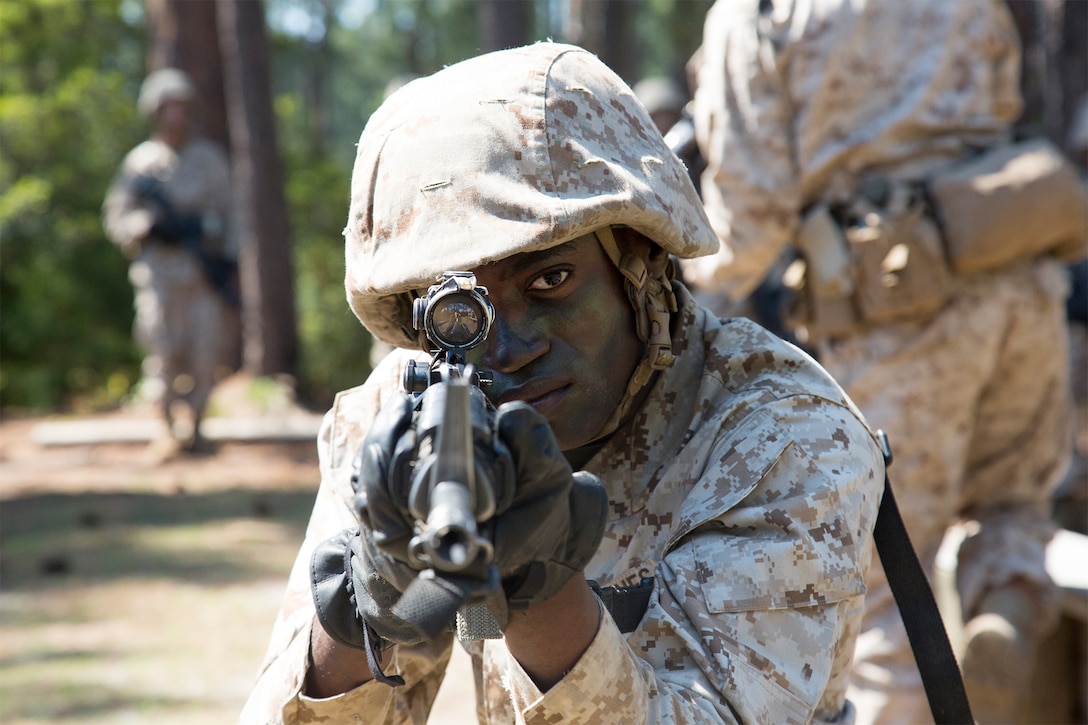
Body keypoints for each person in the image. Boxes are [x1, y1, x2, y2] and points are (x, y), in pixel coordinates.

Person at [242, 42, 885, 724]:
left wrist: (542, 586)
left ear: (638, 263)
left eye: (550, 280)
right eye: (459, 311)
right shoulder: (399, 423)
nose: (508, 351)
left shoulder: (781, 432)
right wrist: (354, 626)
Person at [684, 1, 1085, 722]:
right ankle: (1004, 617)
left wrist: (675, 274)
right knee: (1012, 506)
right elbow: (1003, 100)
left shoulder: (763, 14)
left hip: (898, 318)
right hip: (1020, 276)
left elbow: (751, 216)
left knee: (883, 597)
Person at [102, 68, 238, 457]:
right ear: (155, 112)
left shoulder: (209, 161)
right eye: (168, 108)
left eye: (182, 108)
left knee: (205, 354)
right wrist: (145, 226)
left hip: (201, 277)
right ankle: (165, 430)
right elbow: (116, 216)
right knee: (161, 355)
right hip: (159, 278)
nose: (175, 116)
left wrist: (224, 252)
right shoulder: (140, 164)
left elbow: (234, 217)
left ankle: (195, 429)